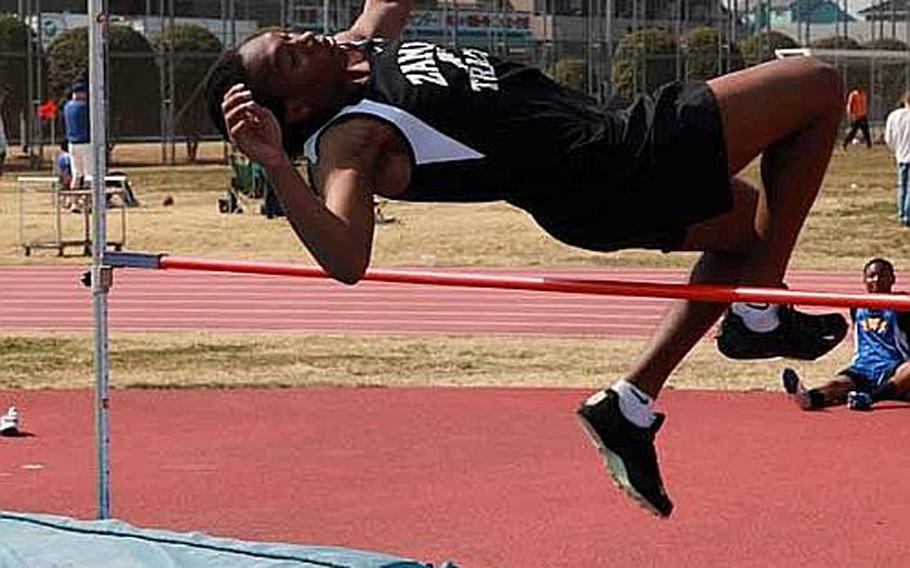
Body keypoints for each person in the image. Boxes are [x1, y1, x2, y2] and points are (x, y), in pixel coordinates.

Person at [205, 7, 849, 518]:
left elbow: (386, 5)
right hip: (614, 165)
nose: (304, 38)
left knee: (748, 227)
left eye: (289, 33)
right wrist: (277, 165)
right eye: (289, 55)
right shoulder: (350, 141)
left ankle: (629, 404)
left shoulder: (358, 47)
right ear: (294, 109)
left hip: (602, 152)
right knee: (818, 86)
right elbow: (347, 258)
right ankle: (760, 310)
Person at [783, 258, 910, 411]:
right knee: (836, 384)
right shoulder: (856, 306)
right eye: (871, 276)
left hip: (893, 368)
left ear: (893, 279)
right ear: (864, 280)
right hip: (863, 368)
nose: (877, 280)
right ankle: (809, 398)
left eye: (883, 275)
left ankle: (869, 397)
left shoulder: (902, 305)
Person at [884, 91, 910, 227]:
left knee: (902, 186)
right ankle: (907, 215)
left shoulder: (894, 116)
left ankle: (902, 213)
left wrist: (896, 150)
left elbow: (889, 138)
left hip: (901, 155)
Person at [63, 80, 91, 189]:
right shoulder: (86, 106)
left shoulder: (67, 106)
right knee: (89, 175)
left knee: (77, 175)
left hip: (72, 144)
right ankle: (87, 200)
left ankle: (74, 202)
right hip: (86, 143)